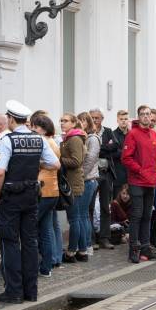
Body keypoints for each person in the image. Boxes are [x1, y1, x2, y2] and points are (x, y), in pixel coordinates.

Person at [0, 100, 60, 304]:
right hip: (32, 195)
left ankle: (13, 291)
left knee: (11, 242)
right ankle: (31, 291)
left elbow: (0, 172)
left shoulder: (7, 140)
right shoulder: (38, 140)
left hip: (11, 196)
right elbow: (55, 164)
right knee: (30, 242)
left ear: (11, 119)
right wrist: (34, 162)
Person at [121, 105, 156, 263]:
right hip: (137, 181)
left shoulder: (154, 135)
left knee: (147, 215)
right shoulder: (133, 134)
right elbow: (126, 158)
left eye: (148, 114)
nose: (146, 117)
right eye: (143, 114)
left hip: (150, 182)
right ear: (139, 116)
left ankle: (146, 247)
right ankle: (134, 249)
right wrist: (140, 170)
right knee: (137, 215)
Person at [30, 115, 61, 277]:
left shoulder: (42, 141)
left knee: (33, 228)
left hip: (42, 190)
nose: (31, 130)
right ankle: (46, 266)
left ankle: (33, 264)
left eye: (33, 127)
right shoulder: (53, 141)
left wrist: (39, 163)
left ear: (40, 128)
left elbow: (52, 164)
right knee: (46, 229)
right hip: (52, 190)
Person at [58, 113, 86, 263]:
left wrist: (58, 159)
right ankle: (82, 251)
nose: (62, 123)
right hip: (72, 181)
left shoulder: (74, 139)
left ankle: (71, 252)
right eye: (61, 121)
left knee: (74, 219)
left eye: (66, 121)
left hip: (73, 183)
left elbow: (76, 161)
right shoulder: (68, 138)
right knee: (78, 218)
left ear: (74, 123)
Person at [90, 108, 115, 249]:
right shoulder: (87, 132)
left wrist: (100, 148)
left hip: (105, 172)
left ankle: (105, 238)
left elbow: (116, 147)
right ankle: (91, 239)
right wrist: (106, 147)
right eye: (92, 118)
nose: (94, 120)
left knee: (106, 206)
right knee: (90, 206)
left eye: (97, 118)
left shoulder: (108, 131)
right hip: (92, 173)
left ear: (102, 119)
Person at [77, 112, 101, 255]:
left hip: (88, 180)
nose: (80, 123)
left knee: (83, 214)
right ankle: (86, 245)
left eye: (83, 121)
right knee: (84, 213)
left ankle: (87, 245)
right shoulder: (84, 137)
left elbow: (90, 159)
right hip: (85, 179)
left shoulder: (93, 139)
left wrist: (80, 175)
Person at [112, 110, 130, 198]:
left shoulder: (132, 135)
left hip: (131, 176)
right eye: (121, 119)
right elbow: (113, 153)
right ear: (117, 120)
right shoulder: (112, 135)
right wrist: (128, 153)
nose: (123, 121)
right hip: (118, 176)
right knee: (117, 204)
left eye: (126, 119)